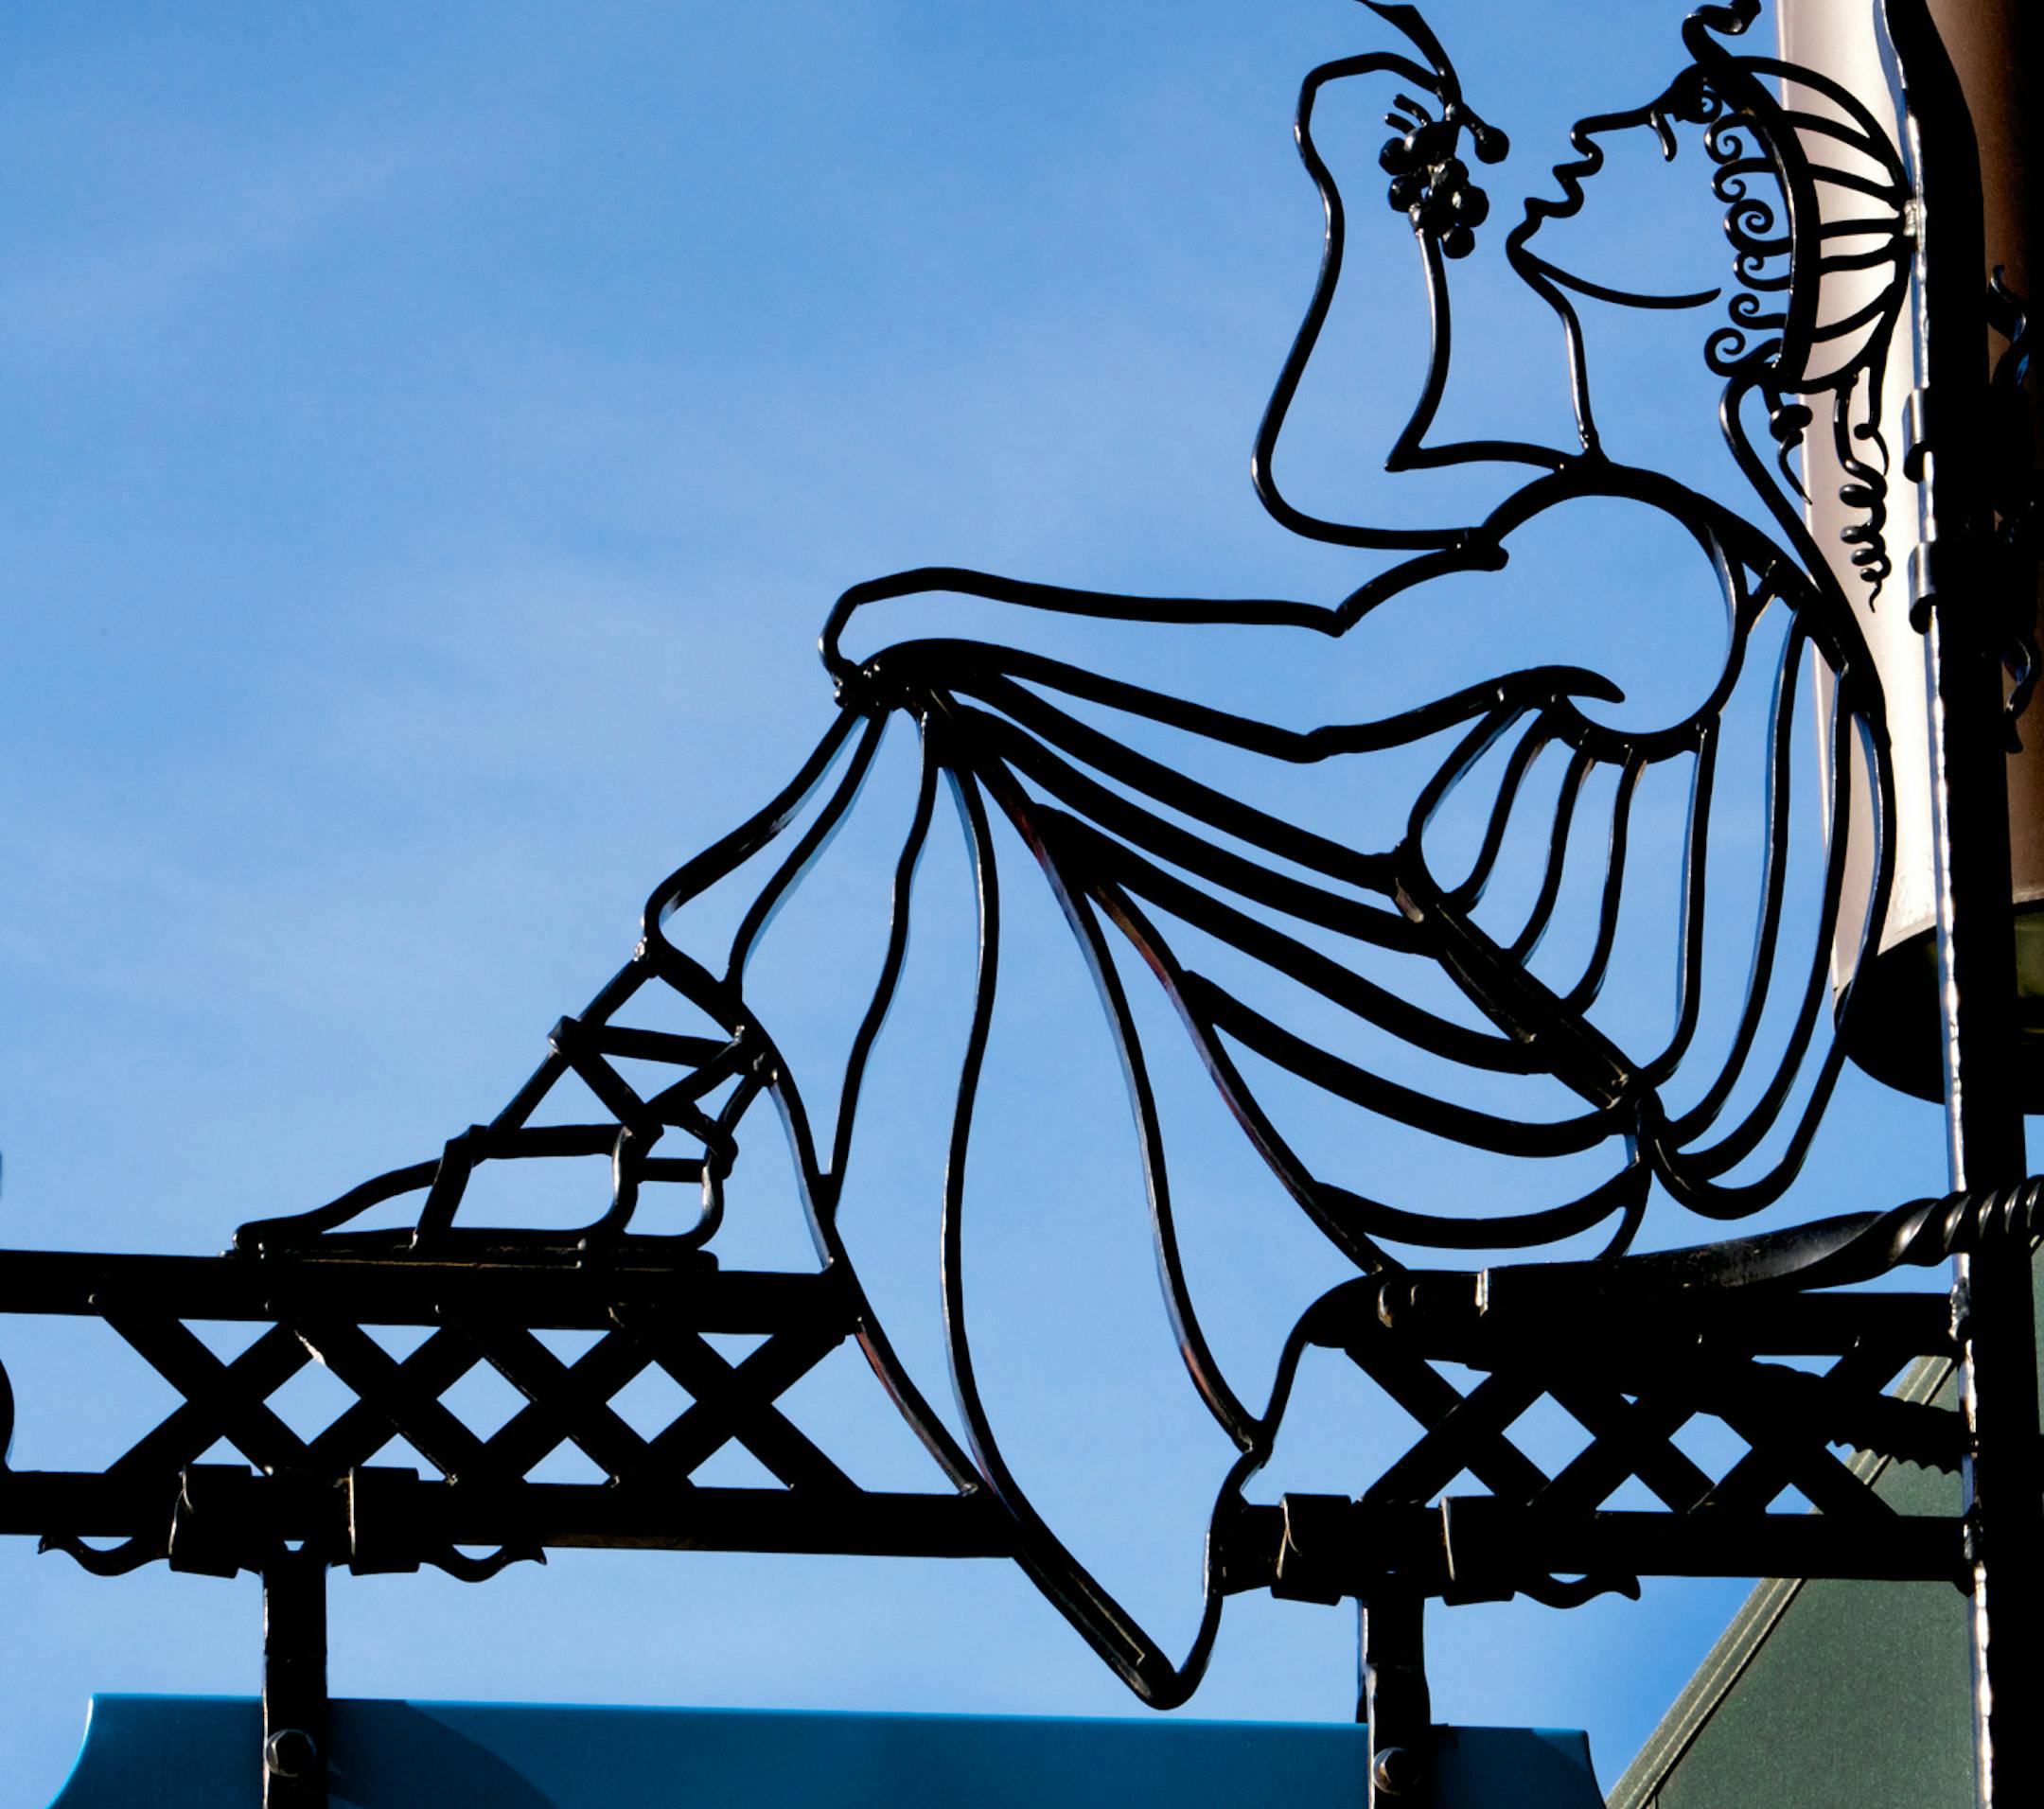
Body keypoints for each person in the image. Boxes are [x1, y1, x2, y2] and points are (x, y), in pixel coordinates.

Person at [241, 0, 1916, 1701]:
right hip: (1475, 1058)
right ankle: (618, 1156)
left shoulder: (1639, 552)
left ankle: (610, 1154)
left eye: (1638, 143)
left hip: (1491, 1094)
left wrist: (960, 618)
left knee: (934, 732)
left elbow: (1329, 698)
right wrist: (1367, 201)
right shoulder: (1619, 519)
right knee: (932, 750)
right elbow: (1349, 471)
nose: (1576, 144)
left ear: (1735, 248)